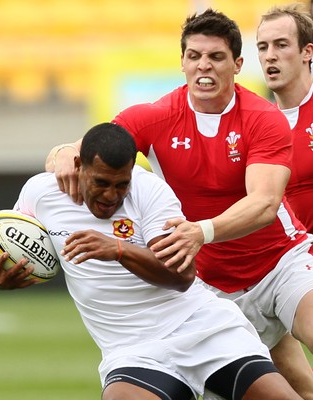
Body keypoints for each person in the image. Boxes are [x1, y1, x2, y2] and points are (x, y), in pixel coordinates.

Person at [44, 8, 313, 398]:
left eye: (216, 57)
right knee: (299, 390)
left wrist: (200, 232)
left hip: (281, 264)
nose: (204, 65)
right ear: (183, 62)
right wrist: (65, 153)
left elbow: (265, 203)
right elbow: (93, 150)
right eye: (194, 56)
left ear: (237, 65)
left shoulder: (263, 117)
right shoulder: (155, 116)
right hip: (209, 288)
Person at [0, 122, 306, 400]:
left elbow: (183, 276)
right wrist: (0, 275)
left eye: (122, 185)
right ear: (79, 166)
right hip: (132, 349)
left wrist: (118, 249)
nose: (111, 195)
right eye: (101, 183)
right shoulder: (40, 194)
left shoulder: (151, 192)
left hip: (202, 327)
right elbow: (17, 247)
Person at [257, 3, 313, 232]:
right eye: (263, 47)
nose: (270, 56)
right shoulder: (256, 127)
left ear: (307, 52)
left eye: (281, 45)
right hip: (287, 261)